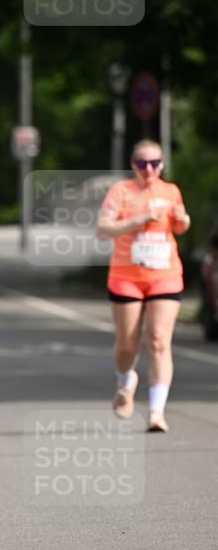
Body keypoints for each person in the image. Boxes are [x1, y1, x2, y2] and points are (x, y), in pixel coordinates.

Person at [96, 138, 191, 433]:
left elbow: (180, 226)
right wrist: (138, 219)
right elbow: (102, 229)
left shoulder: (171, 191)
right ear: (133, 165)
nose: (149, 169)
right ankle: (126, 381)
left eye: (154, 163)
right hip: (126, 276)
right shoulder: (121, 191)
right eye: (142, 164)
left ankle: (156, 411)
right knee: (128, 343)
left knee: (159, 340)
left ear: (161, 164)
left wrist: (183, 220)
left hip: (165, 273)